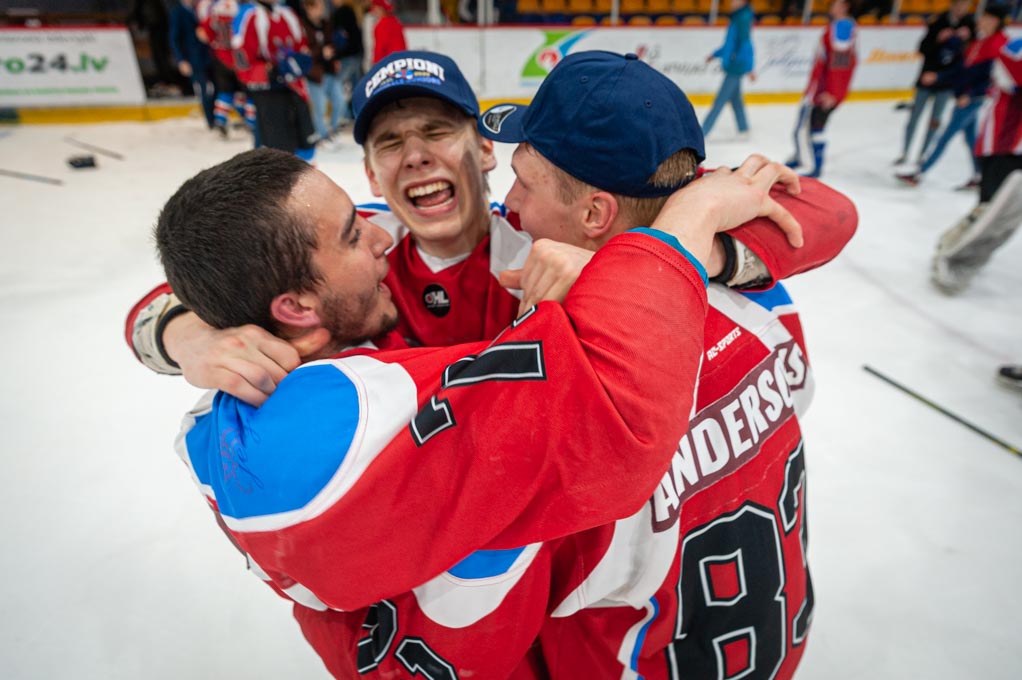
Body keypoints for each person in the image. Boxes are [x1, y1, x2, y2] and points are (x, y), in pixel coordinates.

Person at [128, 50, 854, 678]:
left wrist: (670, 257)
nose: (416, 155)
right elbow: (215, 267)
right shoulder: (356, 256)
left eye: (438, 131)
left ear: (483, 151)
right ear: (373, 178)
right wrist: (179, 330)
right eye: (390, 141)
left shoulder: (546, 227)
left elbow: (817, 208)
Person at [479, 49, 855, 679]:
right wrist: (678, 247)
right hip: (775, 646)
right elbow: (832, 212)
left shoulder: (591, 385)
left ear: (595, 214)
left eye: (524, 181)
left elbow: (493, 595)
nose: (509, 200)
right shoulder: (763, 299)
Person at [931, 36, 1022, 293]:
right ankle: (953, 255)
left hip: (1009, 149)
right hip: (1004, 148)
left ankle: (956, 251)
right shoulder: (1015, 49)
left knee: (1000, 213)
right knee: (992, 211)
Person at [896, 5, 1008, 189]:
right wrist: (938, 76)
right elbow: (962, 69)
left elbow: (992, 76)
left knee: (945, 136)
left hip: (971, 99)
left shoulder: (997, 44)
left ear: (994, 21)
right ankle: (980, 175)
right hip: (967, 96)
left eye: (984, 17)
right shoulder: (981, 41)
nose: (979, 21)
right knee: (971, 140)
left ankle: (920, 173)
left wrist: (970, 94)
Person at [231, 0, 317, 159]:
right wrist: (268, 71)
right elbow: (242, 60)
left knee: (305, 144)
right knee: (276, 151)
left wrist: (300, 62)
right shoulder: (248, 15)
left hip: (295, 88)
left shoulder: (287, 13)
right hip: (268, 92)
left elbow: (302, 46)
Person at [895, 0, 975, 167]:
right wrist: (938, 39)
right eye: (960, 5)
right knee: (914, 117)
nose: (962, 8)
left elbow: (970, 58)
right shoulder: (938, 22)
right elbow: (922, 48)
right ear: (952, 5)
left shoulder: (969, 25)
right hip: (926, 79)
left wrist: (967, 40)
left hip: (946, 84)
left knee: (935, 121)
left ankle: (922, 155)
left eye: (965, 5)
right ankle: (905, 153)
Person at [786, 0, 858, 179]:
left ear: (844, 6)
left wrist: (833, 92)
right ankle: (809, 161)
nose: (831, 6)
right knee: (814, 127)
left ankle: (808, 164)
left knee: (804, 128)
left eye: (836, 4)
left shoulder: (843, 27)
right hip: (822, 88)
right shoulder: (841, 27)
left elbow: (840, 63)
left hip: (823, 91)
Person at [196, 0, 259, 141]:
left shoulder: (216, 8)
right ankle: (250, 122)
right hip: (240, 58)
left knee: (225, 92)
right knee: (249, 91)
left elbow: (203, 33)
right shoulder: (244, 9)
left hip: (221, 57)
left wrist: (216, 42)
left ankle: (220, 121)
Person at [701, 0, 755, 140]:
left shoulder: (743, 18)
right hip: (734, 62)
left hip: (736, 65)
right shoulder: (737, 16)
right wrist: (715, 54)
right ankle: (744, 128)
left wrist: (749, 67)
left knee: (720, 99)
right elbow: (730, 43)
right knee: (736, 100)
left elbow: (745, 44)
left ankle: (704, 130)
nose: (731, 2)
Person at [302, 0, 346, 148]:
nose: (321, 9)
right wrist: (321, 52)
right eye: (318, 6)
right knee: (319, 107)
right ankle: (322, 136)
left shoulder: (327, 24)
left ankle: (333, 130)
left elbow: (332, 44)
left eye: (322, 6)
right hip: (315, 74)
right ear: (309, 8)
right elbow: (304, 52)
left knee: (340, 101)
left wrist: (336, 56)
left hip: (330, 71)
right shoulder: (303, 27)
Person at [170, 0, 216, 129]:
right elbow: (174, 39)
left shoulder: (201, 8)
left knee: (216, 88)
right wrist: (181, 60)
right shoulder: (178, 13)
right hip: (193, 60)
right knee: (204, 90)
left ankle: (218, 118)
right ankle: (211, 121)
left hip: (209, 57)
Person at [330, 0, 364, 122]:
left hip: (348, 56)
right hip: (356, 54)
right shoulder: (351, 11)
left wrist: (337, 56)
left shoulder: (340, 13)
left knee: (337, 84)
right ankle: (356, 113)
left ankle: (344, 115)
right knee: (355, 86)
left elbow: (340, 37)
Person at [368, 0, 406, 65]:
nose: (374, 11)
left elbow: (380, 48)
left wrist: (376, 65)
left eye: (375, 7)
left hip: (387, 63)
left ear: (381, 9)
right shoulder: (395, 21)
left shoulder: (382, 25)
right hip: (400, 61)